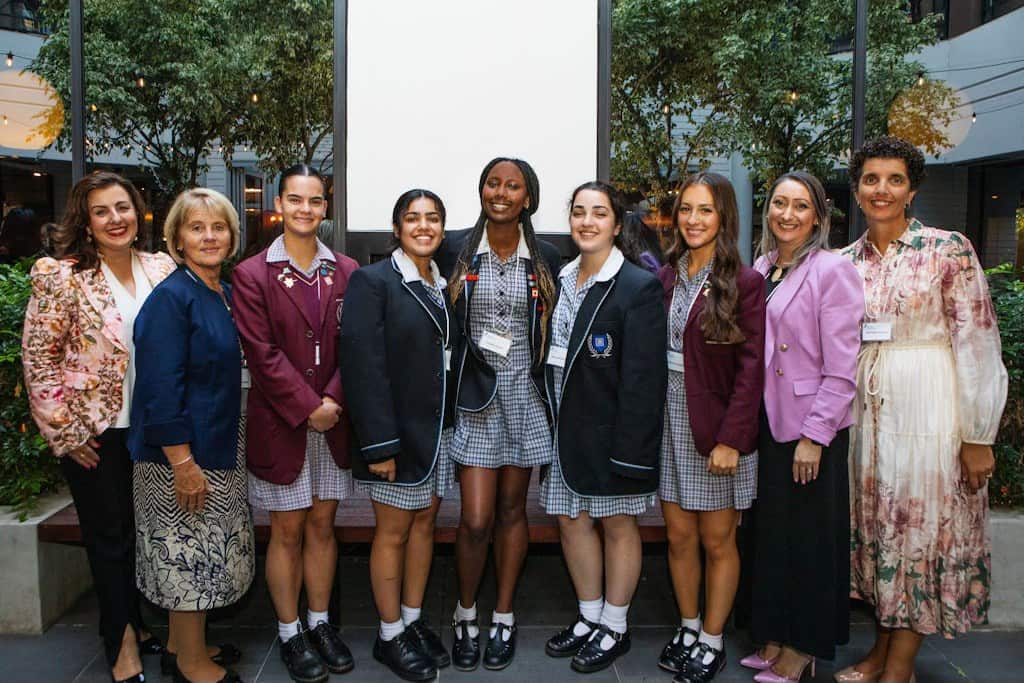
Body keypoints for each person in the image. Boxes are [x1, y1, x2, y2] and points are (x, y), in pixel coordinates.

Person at [835, 136, 1007, 683]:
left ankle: (900, 667)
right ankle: (881, 652)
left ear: (912, 189)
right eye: (870, 179)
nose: (881, 189)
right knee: (879, 531)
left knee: (917, 532)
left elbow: (977, 341)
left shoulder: (946, 249)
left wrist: (977, 434)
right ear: (857, 189)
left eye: (894, 179)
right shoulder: (842, 263)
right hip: (865, 418)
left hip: (931, 413)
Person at [21, 171, 175, 683]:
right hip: (94, 433)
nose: (116, 219)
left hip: (151, 428)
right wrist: (65, 433)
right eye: (102, 211)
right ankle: (121, 642)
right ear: (85, 223)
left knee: (140, 533)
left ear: (139, 213)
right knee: (109, 538)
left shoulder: (161, 267)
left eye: (123, 207)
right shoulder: (60, 277)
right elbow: (39, 359)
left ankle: (134, 619)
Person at [231, 164, 359, 683]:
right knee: (286, 531)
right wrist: (310, 406)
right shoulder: (252, 273)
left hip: (334, 424)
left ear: (325, 207)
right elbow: (261, 355)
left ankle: (321, 622)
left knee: (324, 526)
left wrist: (332, 400)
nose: (305, 209)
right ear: (278, 204)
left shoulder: (348, 271)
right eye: (295, 200)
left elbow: (358, 349)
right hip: (282, 423)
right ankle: (290, 632)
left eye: (315, 201)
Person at [436, 157, 561, 671]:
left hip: (526, 401)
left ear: (528, 197)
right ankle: (465, 613)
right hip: (475, 401)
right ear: (481, 191)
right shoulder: (454, 251)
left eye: (513, 186)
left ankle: (504, 616)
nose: (501, 192)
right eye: (493, 183)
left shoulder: (549, 257)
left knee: (513, 513)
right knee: (475, 519)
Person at [539, 181, 667, 673]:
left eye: (598, 213)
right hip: (563, 428)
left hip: (611, 431)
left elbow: (642, 379)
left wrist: (630, 451)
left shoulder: (636, 287)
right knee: (571, 521)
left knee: (617, 524)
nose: (587, 221)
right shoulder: (562, 276)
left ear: (617, 224)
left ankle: (615, 624)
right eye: (578, 212)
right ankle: (589, 617)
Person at [741, 172, 863, 683]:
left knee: (810, 543)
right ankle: (773, 635)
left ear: (818, 216)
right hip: (767, 425)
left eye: (800, 206)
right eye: (778, 203)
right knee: (771, 537)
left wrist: (816, 436)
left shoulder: (832, 270)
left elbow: (842, 367)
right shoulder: (764, 266)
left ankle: (803, 648)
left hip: (811, 430)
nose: (786, 214)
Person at [130, 188, 254, 683]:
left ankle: (185, 642)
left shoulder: (216, 291)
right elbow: (160, 390)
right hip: (180, 456)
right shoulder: (172, 299)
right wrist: (182, 463)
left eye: (218, 227)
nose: (209, 236)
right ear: (176, 238)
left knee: (205, 549)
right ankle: (190, 664)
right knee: (188, 557)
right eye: (197, 227)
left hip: (216, 443)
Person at [340, 189, 459, 681]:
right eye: (413, 219)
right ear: (396, 228)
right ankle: (389, 635)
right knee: (392, 532)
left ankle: (411, 620)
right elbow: (363, 368)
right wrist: (380, 445)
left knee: (425, 526)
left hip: (437, 433)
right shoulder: (373, 282)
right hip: (396, 435)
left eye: (433, 219)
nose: (424, 226)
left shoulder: (441, 280)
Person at [655, 172, 765, 683]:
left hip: (716, 426)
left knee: (718, 540)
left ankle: (713, 638)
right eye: (686, 209)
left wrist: (731, 439)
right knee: (678, 536)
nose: (694, 220)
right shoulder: (666, 275)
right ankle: (689, 625)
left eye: (705, 210)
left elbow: (752, 370)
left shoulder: (744, 282)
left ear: (723, 217)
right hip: (668, 419)